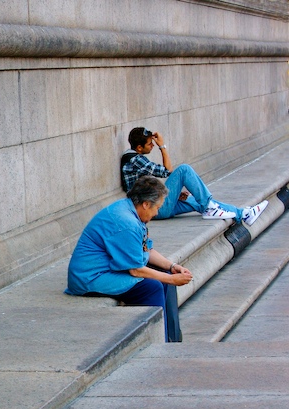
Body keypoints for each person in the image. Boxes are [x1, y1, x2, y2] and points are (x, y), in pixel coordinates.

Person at [65, 176, 194, 342]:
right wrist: (171, 278)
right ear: (146, 204)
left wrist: (172, 267)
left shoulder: (130, 211)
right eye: (157, 208)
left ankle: (171, 337)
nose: (157, 213)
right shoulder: (126, 223)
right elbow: (135, 269)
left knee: (164, 277)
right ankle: (158, 342)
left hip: (106, 270)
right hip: (90, 277)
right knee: (153, 287)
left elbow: (147, 250)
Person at [121, 127, 268, 225]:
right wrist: (162, 146)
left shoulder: (134, 158)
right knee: (183, 170)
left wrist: (175, 195)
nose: (152, 146)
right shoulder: (135, 159)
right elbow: (167, 170)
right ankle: (210, 206)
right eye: (149, 144)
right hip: (152, 209)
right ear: (139, 147)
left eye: (153, 144)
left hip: (154, 206)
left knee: (198, 203)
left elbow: (145, 188)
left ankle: (243, 214)